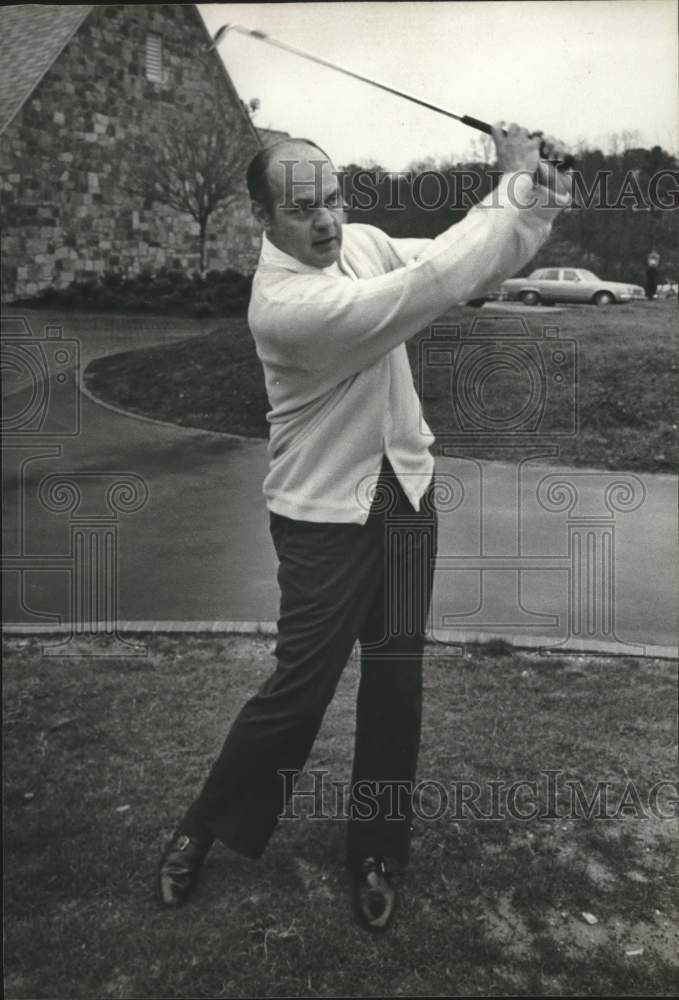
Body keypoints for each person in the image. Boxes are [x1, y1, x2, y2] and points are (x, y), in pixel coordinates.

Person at [157, 124, 572, 930]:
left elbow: (457, 259)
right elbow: (427, 291)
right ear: (261, 218)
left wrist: (536, 201)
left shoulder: (363, 244)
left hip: (404, 496)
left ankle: (377, 849)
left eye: (335, 199)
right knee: (297, 693)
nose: (327, 222)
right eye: (303, 207)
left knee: (394, 684)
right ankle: (203, 825)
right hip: (320, 513)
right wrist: (512, 190)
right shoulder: (286, 307)